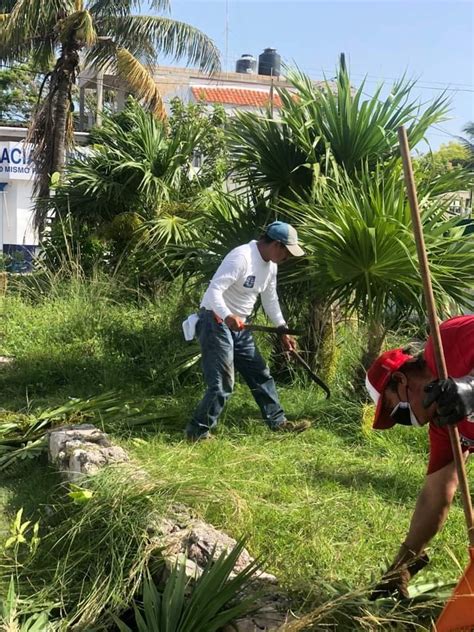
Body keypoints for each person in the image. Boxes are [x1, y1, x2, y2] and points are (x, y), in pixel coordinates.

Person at [365, 314, 474, 600]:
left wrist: (472, 386)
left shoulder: (448, 340)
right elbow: (435, 494)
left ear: (401, 380)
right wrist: (402, 564)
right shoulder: (444, 423)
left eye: (396, 411)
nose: (409, 421)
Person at [185, 221, 311, 441]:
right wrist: (227, 315)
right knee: (223, 382)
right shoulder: (241, 257)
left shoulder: (271, 265)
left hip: (240, 325)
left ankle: (278, 422)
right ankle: (197, 431)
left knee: (259, 373)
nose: (287, 258)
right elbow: (214, 290)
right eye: (287, 252)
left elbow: (270, 299)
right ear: (277, 245)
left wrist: (282, 329)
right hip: (214, 320)